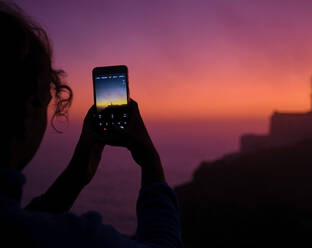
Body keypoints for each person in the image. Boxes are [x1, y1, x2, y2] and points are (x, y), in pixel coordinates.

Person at [0, 1, 183, 247]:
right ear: (29, 108)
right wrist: (151, 162)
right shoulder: (79, 238)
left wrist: (77, 175)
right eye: (46, 101)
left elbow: (28, 221)